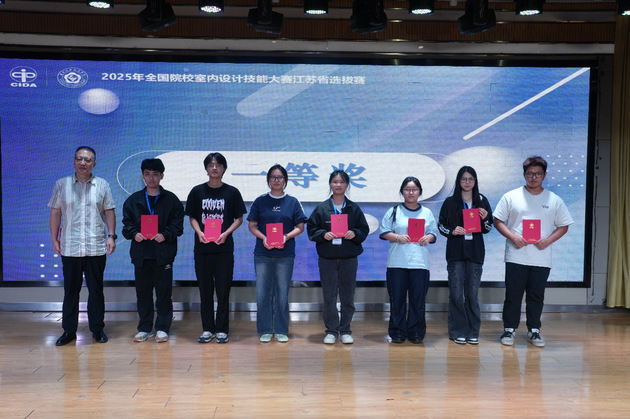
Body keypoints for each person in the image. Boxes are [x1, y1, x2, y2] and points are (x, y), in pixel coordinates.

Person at [494, 156, 573, 347]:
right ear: (524, 174)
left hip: (541, 256)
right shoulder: (511, 196)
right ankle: (509, 329)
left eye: (538, 174)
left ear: (544, 175)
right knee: (513, 295)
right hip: (516, 255)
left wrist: (548, 241)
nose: (534, 177)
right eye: (530, 173)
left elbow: (564, 225)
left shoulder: (554, 200)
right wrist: (513, 237)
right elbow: (498, 221)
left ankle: (534, 330)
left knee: (536, 296)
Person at [49, 146, 116, 346]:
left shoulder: (102, 185)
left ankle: (97, 329)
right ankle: (69, 331)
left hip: (96, 247)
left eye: (87, 160)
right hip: (70, 247)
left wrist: (111, 236)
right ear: (74, 161)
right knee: (71, 291)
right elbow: (55, 213)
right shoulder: (61, 185)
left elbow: (109, 211)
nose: (83, 163)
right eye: (79, 159)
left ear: (94, 164)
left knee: (96, 290)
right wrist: (54, 239)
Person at [185, 152, 247, 344]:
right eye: (211, 164)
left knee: (223, 290)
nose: (214, 168)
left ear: (224, 168)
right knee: (205, 290)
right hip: (202, 248)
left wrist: (226, 233)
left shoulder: (232, 192)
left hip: (224, 248)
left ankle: (221, 329)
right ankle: (207, 329)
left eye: (218, 165)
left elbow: (239, 218)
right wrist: (199, 232)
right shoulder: (197, 191)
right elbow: (193, 217)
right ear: (206, 168)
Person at [122, 158, 184, 343]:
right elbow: (126, 225)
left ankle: (163, 328)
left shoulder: (171, 200)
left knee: (164, 293)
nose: (151, 178)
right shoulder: (133, 200)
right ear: (142, 176)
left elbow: (178, 226)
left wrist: (165, 234)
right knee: (143, 293)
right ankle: (144, 328)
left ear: (162, 176)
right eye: (147, 174)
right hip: (141, 254)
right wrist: (134, 233)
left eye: (155, 174)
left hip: (163, 254)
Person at [307, 170, 370, 345]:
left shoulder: (354, 208)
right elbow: (311, 229)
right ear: (330, 184)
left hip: (349, 258)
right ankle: (331, 330)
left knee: (348, 295)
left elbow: (363, 230)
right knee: (329, 295)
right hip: (327, 258)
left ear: (347, 185)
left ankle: (346, 329)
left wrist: (354, 233)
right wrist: (323, 234)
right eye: (335, 182)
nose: (338, 185)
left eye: (342, 182)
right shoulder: (321, 208)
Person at [247, 164, 307, 343]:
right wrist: (264, 238)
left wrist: (286, 237)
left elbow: (300, 227)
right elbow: (252, 226)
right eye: (273, 177)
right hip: (262, 253)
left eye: (280, 177)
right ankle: (265, 329)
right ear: (268, 180)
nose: (276, 180)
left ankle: (281, 329)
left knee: (282, 293)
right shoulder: (260, 201)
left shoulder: (293, 202)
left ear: (285, 180)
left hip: (285, 254)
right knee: (263, 292)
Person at [438, 166, 493, 345]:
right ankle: (457, 330)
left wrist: (485, 218)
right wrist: (452, 231)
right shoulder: (450, 202)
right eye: (464, 179)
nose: (467, 182)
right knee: (456, 294)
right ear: (458, 181)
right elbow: (441, 225)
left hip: (475, 253)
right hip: (455, 253)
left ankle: (472, 331)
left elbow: (488, 228)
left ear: (475, 181)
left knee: (472, 294)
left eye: (471, 179)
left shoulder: (482, 200)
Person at [379, 176, 437, 344]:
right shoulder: (394, 211)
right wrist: (398, 237)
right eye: (407, 189)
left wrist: (428, 237)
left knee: (417, 300)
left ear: (419, 192)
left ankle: (416, 332)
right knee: (397, 300)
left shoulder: (426, 212)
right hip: (397, 262)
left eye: (414, 189)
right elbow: (384, 232)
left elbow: (433, 233)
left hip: (419, 262)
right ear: (402, 192)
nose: (411, 192)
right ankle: (397, 332)